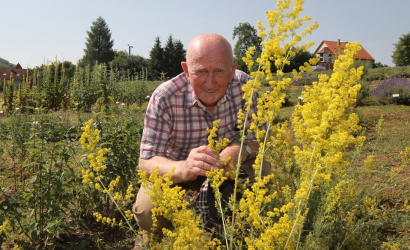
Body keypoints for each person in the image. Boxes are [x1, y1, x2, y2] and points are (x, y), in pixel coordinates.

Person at [132, 33, 270, 246]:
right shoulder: (165, 98)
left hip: (227, 172)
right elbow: (146, 162)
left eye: (220, 71)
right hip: (176, 173)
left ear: (232, 70)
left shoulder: (245, 86)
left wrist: (241, 150)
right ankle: (170, 237)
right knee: (147, 211)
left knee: (265, 173)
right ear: (186, 71)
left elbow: (260, 137)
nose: (210, 82)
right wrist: (185, 168)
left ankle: (236, 234)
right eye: (201, 71)